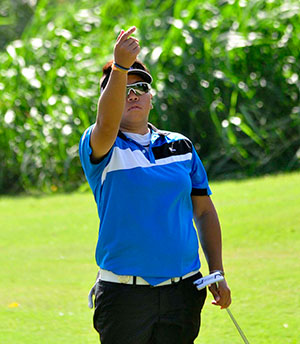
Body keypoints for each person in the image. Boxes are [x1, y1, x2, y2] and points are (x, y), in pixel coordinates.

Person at [79, 26, 231, 344]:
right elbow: (106, 123)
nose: (132, 94)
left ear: (151, 97)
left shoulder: (181, 147)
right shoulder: (101, 146)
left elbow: (203, 211)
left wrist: (216, 270)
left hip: (184, 292)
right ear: (108, 98)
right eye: (122, 88)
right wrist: (119, 66)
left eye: (141, 87)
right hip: (124, 296)